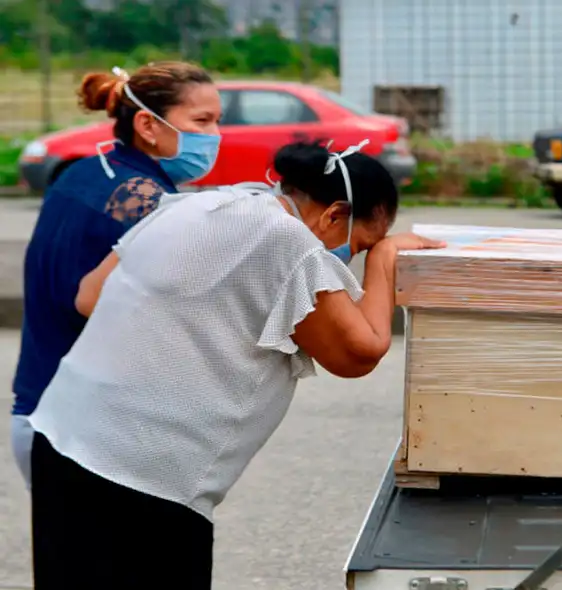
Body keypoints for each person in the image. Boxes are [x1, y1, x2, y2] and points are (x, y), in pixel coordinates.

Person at [27, 139, 445, 588]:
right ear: (335, 215)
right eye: (361, 245)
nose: (353, 258)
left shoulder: (201, 203)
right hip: (145, 480)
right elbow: (358, 352)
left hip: (62, 440)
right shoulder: (290, 242)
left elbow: (90, 295)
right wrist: (384, 262)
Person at [10, 62, 221, 488]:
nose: (215, 135)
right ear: (147, 123)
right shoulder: (146, 200)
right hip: (87, 435)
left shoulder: (82, 174)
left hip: (36, 412)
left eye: (218, 121)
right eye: (202, 121)